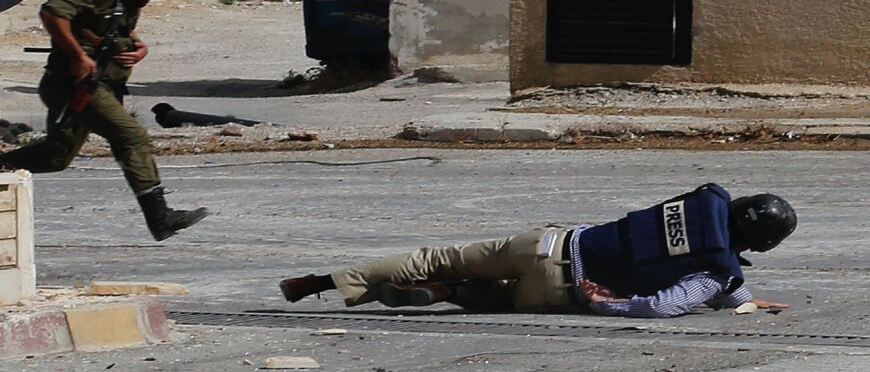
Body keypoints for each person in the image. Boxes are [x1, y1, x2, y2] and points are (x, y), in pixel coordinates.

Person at [279, 183, 796, 318]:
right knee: (499, 299)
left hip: (549, 241)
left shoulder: (706, 199)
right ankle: (445, 294)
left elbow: (690, 252)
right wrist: (603, 301)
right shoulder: (717, 268)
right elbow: (662, 304)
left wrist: (736, 290)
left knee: (437, 254)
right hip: (560, 288)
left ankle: (326, 281)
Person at [0, 0, 207, 241]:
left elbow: (115, 30)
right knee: (132, 137)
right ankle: (161, 218)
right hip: (75, 85)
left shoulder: (127, 0)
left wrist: (139, 48)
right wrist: (78, 56)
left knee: (55, 157)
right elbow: (52, 12)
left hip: (97, 87)